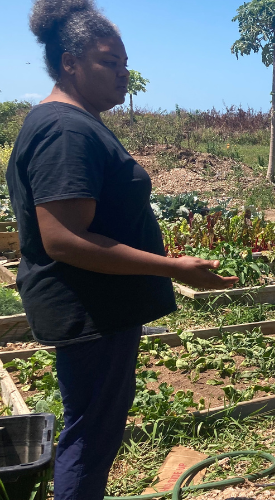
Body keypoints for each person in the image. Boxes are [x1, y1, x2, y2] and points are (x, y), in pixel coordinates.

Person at [6, 1, 238, 498]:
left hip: (100, 307)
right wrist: (174, 268)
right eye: (108, 62)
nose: (122, 73)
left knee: (94, 430)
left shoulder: (74, 121)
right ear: (70, 62)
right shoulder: (65, 129)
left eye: (125, 63)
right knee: (90, 438)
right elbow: (63, 239)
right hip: (91, 309)